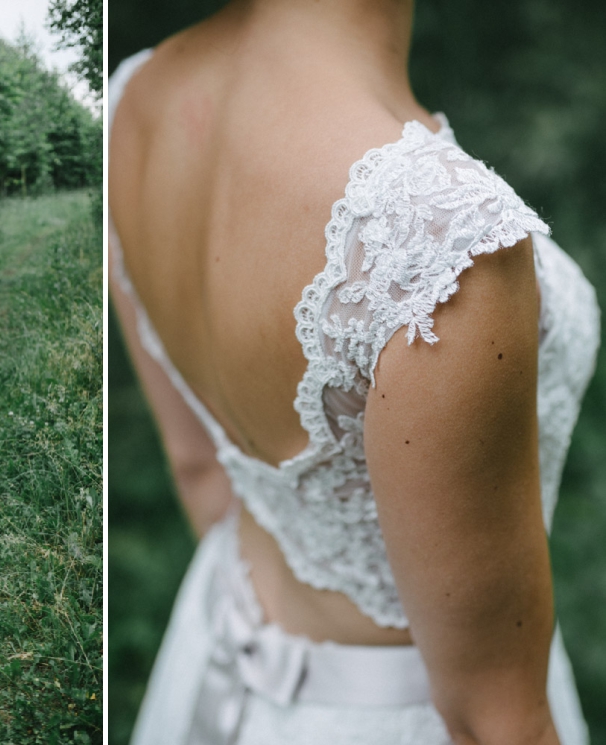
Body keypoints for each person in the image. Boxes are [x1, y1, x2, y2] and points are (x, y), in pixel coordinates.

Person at [108, 1, 600, 743]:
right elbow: (495, 719)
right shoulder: (437, 241)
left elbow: (203, 474)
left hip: (219, 647)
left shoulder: (133, 100)